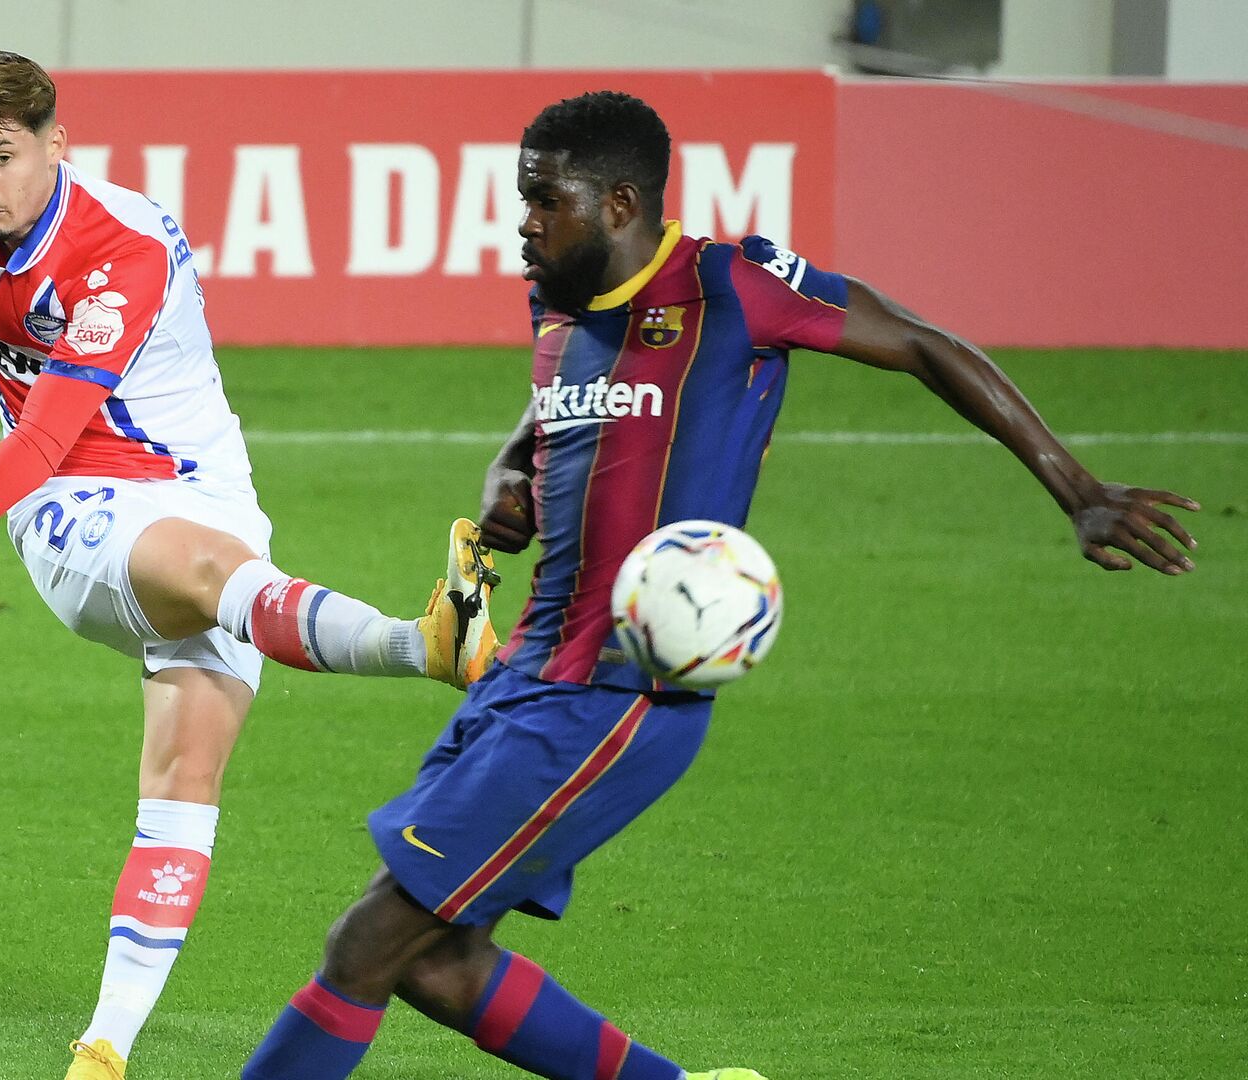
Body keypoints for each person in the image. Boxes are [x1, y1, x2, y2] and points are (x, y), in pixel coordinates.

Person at [241, 90, 1199, 1080]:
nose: (523, 222)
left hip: (616, 696)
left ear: (618, 202)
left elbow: (921, 342)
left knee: (367, 944)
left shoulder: (733, 287)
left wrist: (1076, 486)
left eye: (543, 200)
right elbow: (545, 425)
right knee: (436, 965)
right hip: (521, 679)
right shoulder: (561, 302)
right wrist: (510, 475)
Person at [0, 16, 500, 1079]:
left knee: (187, 772)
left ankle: (105, 1045)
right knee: (214, 581)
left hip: (200, 484)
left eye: (3, 157)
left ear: (58, 144)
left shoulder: (115, 254)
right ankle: (424, 648)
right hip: (72, 504)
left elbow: (42, 425)